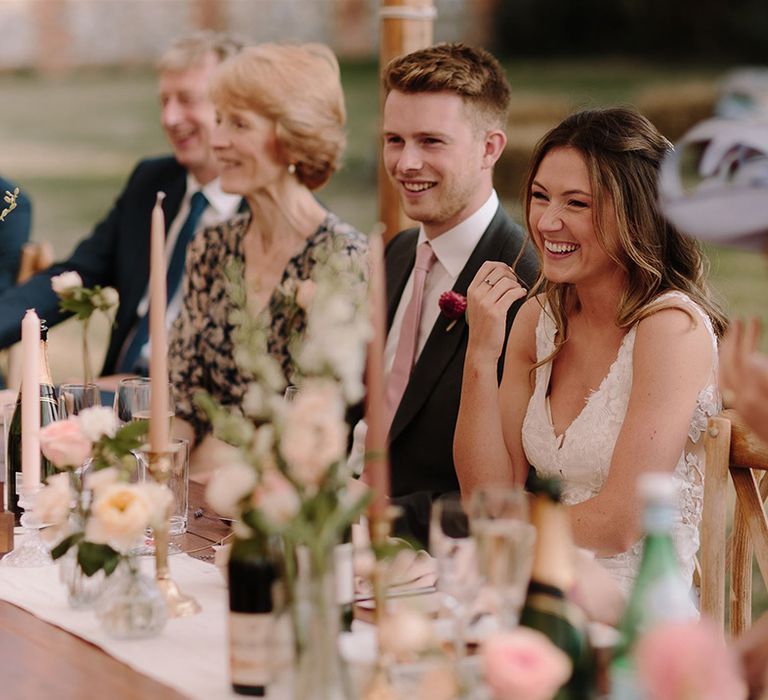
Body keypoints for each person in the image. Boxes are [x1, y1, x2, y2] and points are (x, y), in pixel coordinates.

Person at [454, 106, 727, 595]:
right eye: (540, 197)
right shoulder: (539, 318)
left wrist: (504, 538)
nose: (548, 221)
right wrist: (479, 352)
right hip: (537, 582)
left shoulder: (671, 329)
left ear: (635, 213)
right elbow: (485, 497)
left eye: (577, 204)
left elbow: (620, 522)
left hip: (634, 611)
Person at [0, 32, 244, 387]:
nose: (170, 117)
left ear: (235, 107)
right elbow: (74, 276)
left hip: (200, 404)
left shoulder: (263, 212)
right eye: (163, 101)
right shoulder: (152, 182)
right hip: (116, 394)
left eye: (188, 100)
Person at [169, 43, 368, 467]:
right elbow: (182, 400)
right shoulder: (210, 247)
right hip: (197, 490)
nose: (217, 140)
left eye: (239, 124)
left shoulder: (342, 259)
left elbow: (313, 425)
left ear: (294, 139)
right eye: (218, 120)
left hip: (284, 502)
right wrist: (167, 485)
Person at [370, 43, 538, 543]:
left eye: (431, 141)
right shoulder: (398, 252)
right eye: (394, 140)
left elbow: (508, 489)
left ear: (490, 148)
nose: (406, 163)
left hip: (435, 558)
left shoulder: (525, 282)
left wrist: (371, 518)